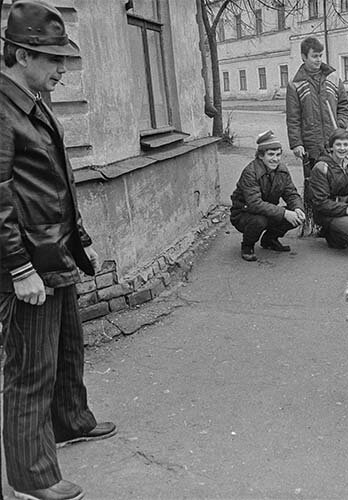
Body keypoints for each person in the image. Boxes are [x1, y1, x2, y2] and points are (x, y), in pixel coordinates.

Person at [0, 2, 116, 499]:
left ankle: (69, 420)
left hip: (55, 250)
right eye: (52, 59)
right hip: (29, 260)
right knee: (30, 367)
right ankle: (33, 477)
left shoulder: (32, 97)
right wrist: (19, 267)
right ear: (22, 54)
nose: (62, 68)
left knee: (69, 347)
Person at [286, 36, 348, 229]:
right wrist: (296, 143)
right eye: (314, 56)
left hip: (333, 142)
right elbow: (293, 118)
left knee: (337, 180)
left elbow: (344, 105)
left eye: (320, 55)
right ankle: (320, 224)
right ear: (304, 57)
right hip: (311, 145)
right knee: (317, 185)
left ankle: (339, 222)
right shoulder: (295, 84)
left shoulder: (333, 77)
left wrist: (340, 124)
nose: (318, 59)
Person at [229, 131, 305, 262]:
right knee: (259, 221)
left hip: (267, 211)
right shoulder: (250, 173)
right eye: (270, 154)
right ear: (260, 156)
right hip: (244, 213)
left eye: (278, 154)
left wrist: (298, 208)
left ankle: (269, 240)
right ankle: (247, 246)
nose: (275, 159)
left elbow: (291, 193)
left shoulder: (282, 170)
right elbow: (255, 204)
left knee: (296, 216)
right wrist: (284, 213)